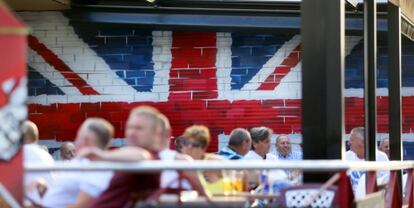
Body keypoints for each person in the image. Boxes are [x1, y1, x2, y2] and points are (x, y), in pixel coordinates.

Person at [79, 106, 174, 207]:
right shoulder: (133, 157)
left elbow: (141, 156)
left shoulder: (151, 159)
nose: (131, 133)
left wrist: (102, 155)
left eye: (139, 128)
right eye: (129, 127)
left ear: (156, 134)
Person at [40, 118, 115, 208]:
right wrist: (44, 190)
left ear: (86, 140)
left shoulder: (97, 169)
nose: (76, 141)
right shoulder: (81, 162)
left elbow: (82, 205)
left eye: (78, 136)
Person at [181, 125, 225, 195]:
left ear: (204, 147)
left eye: (194, 145)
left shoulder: (213, 162)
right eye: (186, 143)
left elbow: (240, 173)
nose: (189, 147)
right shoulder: (180, 165)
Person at [345, 127, 389, 197]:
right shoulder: (346, 156)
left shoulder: (381, 157)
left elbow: (387, 183)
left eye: (352, 139)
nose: (349, 142)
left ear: (362, 142)